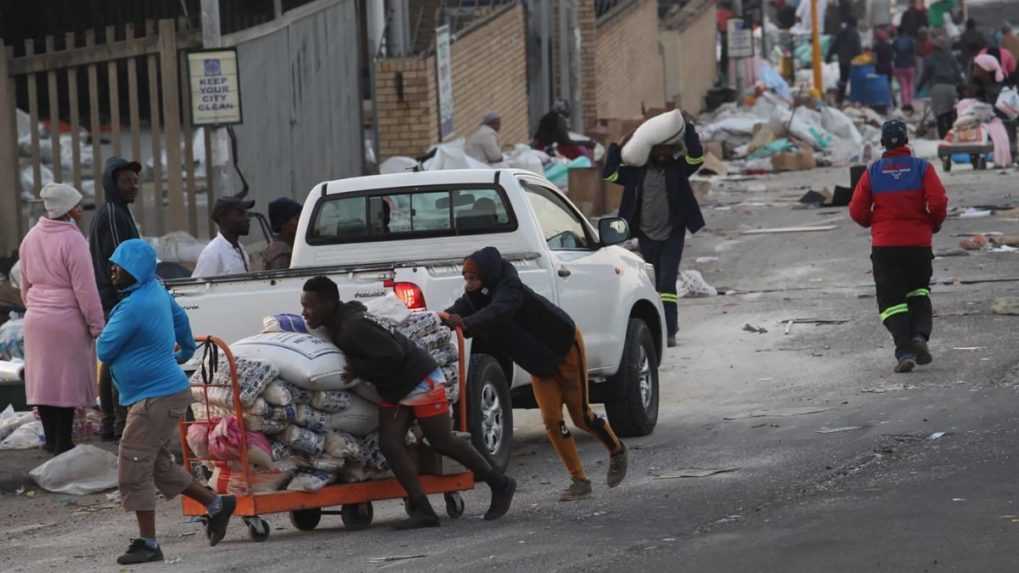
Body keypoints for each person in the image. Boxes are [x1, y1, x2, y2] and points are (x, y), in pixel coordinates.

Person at [300, 276, 516, 529]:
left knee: (441, 440)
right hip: (395, 388)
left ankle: (500, 483)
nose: (305, 312)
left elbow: (394, 353)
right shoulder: (340, 324)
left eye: (310, 306)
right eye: (303, 305)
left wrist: (358, 368)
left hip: (420, 380)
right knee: (390, 444)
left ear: (329, 303)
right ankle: (422, 509)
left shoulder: (353, 327)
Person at [441, 247, 628, 502]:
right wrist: (442, 318)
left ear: (488, 275)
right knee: (552, 421)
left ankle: (616, 450)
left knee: (580, 416)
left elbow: (498, 312)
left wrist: (467, 323)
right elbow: (459, 310)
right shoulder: (476, 294)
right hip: (538, 362)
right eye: (466, 277)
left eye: (473, 278)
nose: (469, 283)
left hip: (563, 347)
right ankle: (580, 481)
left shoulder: (510, 290)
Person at [97, 239, 235, 565]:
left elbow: (104, 349)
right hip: (162, 393)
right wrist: (185, 350)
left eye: (121, 264)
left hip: (154, 398)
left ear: (138, 269)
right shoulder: (155, 290)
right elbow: (181, 319)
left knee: (132, 466)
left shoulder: (133, 307)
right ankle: (217, 505)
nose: (113, 269)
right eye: (113, 263)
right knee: (157, 466)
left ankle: (149, 543)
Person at [849, 120, 948, 374]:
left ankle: (904, 352)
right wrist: (932, 224)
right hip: (918, 244)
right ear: (907, 142)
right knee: (918, 293)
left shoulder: (873, 172)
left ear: (883, 143)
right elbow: (938, 202)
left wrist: (875, 222)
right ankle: (920, 338)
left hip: (886, 247)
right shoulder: (922, 168)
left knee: (892, 302)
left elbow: (857, 210)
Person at [602, 118, 706, 348]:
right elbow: (609, 174)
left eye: (666, 148)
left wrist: (687, 127)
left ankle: (669, 331)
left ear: (672, 150)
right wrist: (618, 147)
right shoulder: (635, 173)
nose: (662, 152)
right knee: (653, 284)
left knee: (667, 284)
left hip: (673, 233)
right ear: (649, 150)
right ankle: (658, 329)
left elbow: (697, 157)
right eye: (658, 148)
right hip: (646, 235)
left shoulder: (678, 169)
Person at [19, 183, 105, 454]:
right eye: (77, 206)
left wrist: (36, 307)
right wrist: (96, 324)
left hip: (36, 320)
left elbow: (24, 286)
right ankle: (64, 443)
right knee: (66, 384)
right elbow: (85, 289)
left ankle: (52, 440)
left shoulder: (30, 237)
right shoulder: (74, 240)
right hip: (66, 319)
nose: (80, 210)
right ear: (68, 210)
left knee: (44, 383)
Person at [89, 157, 141, 441]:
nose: (133, 187)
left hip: (116, 298)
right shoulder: (112, 215)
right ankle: (117, 424)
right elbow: (123, 263)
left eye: (135, 181)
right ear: (112, 183)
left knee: (113, 360)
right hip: (117, 298)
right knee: (118, 362)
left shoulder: (118, 211)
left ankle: (111, 423)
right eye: (126, 181)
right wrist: (127, 298)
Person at [192, 196, 254, 278]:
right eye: (240, 214)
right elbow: (197, 287)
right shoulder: (212, 253)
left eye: (246, 214)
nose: (247, 218)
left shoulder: (240, 249)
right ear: (223, 218)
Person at [917, 36, 965, 139]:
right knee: (950, 114)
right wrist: (962, 85)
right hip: (951, 88)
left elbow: (925, 76)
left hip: (937, 88)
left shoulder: (929, 58)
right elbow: (958, 73)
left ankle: (943, 139)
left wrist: (918, 87)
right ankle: (951, 136)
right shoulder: (951, 57)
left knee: (940, 115)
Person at [827, 17, 863, 103]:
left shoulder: (841, 32)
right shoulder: (855, 33)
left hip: (842, 60)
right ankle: (854, 98)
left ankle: (840, 98)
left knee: (843, 79)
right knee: (854, 79)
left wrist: (829, 56)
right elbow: (858, 48)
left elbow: (834, 45)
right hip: (852, 61)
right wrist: (860, 57)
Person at [262, 197, 302, 271]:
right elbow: (281, 281)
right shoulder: (280, 252)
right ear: (283, 224)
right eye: (297, 219)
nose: (301, 222)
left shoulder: (288, 245)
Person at [893, 26, 918, 111]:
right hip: (910, 66)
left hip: (899, 66)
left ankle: (905, 103)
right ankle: (910, 103)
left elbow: (894, 53)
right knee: (910, 84)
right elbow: (914, 53)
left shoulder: (895, 41)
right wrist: (915, 64)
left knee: (903, 86)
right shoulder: (910, 40)